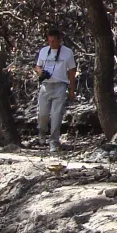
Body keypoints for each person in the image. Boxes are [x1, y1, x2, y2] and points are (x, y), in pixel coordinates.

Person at [35, 26, 76, 154]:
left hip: (60, 85)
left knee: (57, 115)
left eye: (54, 41)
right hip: (46, 86)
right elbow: (38, 66)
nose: (52, 44)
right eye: (50, 41)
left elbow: (72, 71)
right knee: (42, 114)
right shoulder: (43, 51)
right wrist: (40, 72)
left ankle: (54, 142)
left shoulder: (67, 52)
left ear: (60, 41)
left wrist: (71, 90)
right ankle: (41, 134)